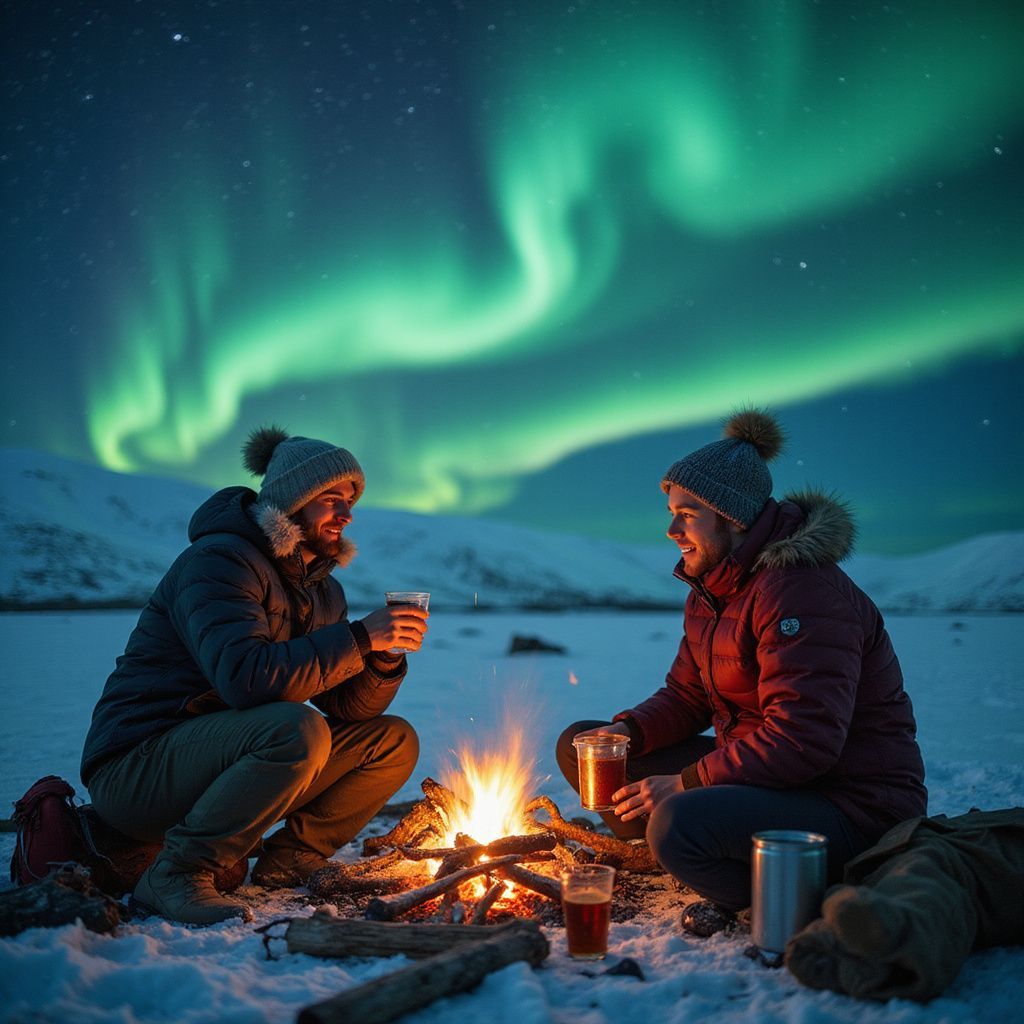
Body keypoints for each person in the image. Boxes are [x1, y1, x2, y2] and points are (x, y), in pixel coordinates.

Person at [555, 409, 927, 935]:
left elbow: (804, 740)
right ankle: (706, 849)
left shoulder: (801, 591)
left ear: (733, 518)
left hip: (850, 806)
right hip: (769, 779)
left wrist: (687, 783)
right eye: (670, 512)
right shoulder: (715, 589)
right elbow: (686, 697)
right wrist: (627, 732)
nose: (670, 530)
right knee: (584, 746)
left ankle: (798, 889)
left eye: (687, 514)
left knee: (678, 823)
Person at [80, 426, 428, 925]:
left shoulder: (322, 589)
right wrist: (358, 639)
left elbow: (346, 709)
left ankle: (290, 861)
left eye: (350, 500)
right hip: (137, 770)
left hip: (225, 759)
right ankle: (175, 873)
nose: (346, 514)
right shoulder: (219, 561)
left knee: (391, 741)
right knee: (296, 730)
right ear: (293, 501)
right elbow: (246, 680)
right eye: (331, 499)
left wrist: (382, 657)